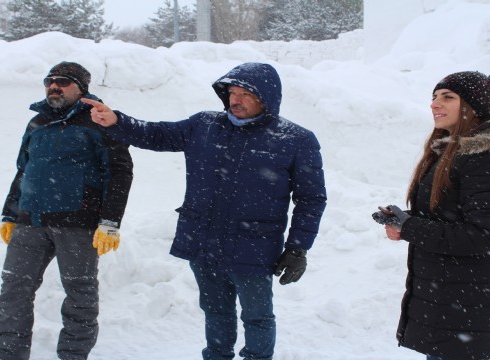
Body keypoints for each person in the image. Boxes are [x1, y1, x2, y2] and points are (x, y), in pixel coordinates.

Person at [81, 62, 327, 360]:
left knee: (257, 316)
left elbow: (311, 198)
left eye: (245, 94)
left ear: (267, 97)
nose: (234, 100)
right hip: (203, 241)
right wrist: (117, 120)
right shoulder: (205, 126)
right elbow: (157, 135)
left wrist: (298, 248)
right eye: (232, 93)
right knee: (215, 312)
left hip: (254, 246)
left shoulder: (295, 140)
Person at [372, 71, 490, 360]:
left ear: (474, 106)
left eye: (447, 97)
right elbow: (451, 216)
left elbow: (480, 235)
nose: (434, 104)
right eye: (434, 97)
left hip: (468, 301)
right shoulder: (455, 151)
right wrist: (404, 222)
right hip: (450, 297)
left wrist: (411, 226)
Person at [0, 61, 134, 360]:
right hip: (29, 221)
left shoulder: (98, 120)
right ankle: (7, 353)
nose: (53, 86)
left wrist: (110, 222)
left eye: (63, 81)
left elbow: (120, 172)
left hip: (78, 223)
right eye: (49, 81)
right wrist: (10, 213)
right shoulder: (37, 123)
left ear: (81, 88)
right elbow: (24, 169)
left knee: (79, 296)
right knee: (13, 290)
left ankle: (73, 356)